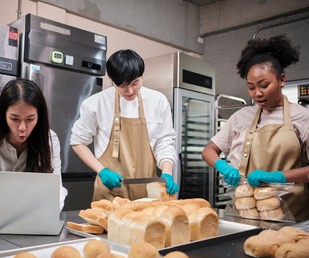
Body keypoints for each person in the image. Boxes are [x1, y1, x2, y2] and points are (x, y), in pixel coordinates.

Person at [202, 35, 309, 221]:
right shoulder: (241, 117)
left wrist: (279, 177)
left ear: (282, 80)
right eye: (251, 87)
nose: (257, 93)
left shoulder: (301, 116)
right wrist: (223, 167)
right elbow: (209, 150)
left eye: (264, 85)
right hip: (243, 215)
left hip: (289, 217)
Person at [70, 49, 179, 201]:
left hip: (148, 195)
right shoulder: (95, 104)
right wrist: (102, 171)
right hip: (110, 194)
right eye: (122, 85)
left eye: (135, 83)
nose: (129, 91)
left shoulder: (158, 101)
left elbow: (164, 141)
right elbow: (78, 142)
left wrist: (167, 172)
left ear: (142, 75)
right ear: (112, 80)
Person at [0, 78, 68, 210]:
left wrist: (48, 211)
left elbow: (56, 190)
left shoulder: (49, 140)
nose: (22, 127)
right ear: (3, 115)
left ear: (39, 116)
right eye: (14, 119)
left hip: (34, 219)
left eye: (30, 119)